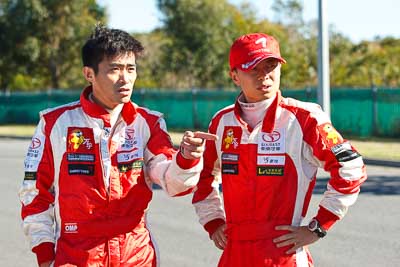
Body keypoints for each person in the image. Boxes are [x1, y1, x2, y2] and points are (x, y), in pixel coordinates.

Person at [19, 25, 217, 267]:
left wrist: (186, 158)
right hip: (76, 256)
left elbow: (172, 182)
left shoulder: (149, 123)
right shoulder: (55, 123)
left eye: (131, 69)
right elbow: (34, 194)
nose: (125, 78)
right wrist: (45, 253)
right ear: (89, 74)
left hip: (136, 255)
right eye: (115, 69)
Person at [192, 33, 367, 266]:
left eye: (271, 65)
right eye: (253, 68)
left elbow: (351, 168)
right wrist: (213, 222)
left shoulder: (305, 118)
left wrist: (318, 226)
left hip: (284, 253)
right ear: (234, 75)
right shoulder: (221, 122)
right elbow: (203, 177)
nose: (264, 75)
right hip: (235, 251)